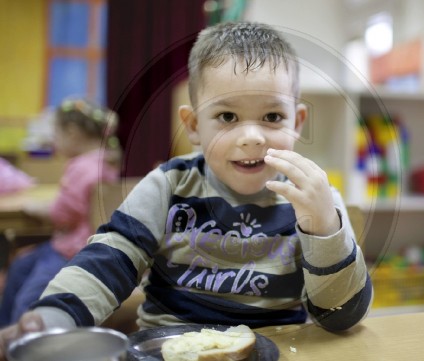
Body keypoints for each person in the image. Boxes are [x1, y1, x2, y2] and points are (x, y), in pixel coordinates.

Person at [0, 21, 372, 358]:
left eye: (273, 117)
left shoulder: (315, 201)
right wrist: (55, 314)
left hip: (274, 350)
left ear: (297, 121)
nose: (252, 137)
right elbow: (110, 259)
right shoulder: (169, 184)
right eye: (227, 117)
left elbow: (341, 317)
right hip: (165, 349)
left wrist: (324, 229)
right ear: (194, 126)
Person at [0, 98, 120, 328]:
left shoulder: (83, 167)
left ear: (73, 133)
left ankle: (19, 339)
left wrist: (39, 208)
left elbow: (62, 215)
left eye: (56, 134)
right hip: (68, 243)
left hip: (74, 250)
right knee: (19, 266)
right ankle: (5, 332)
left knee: (27, 298)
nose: (53, 141)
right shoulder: (101, 161)